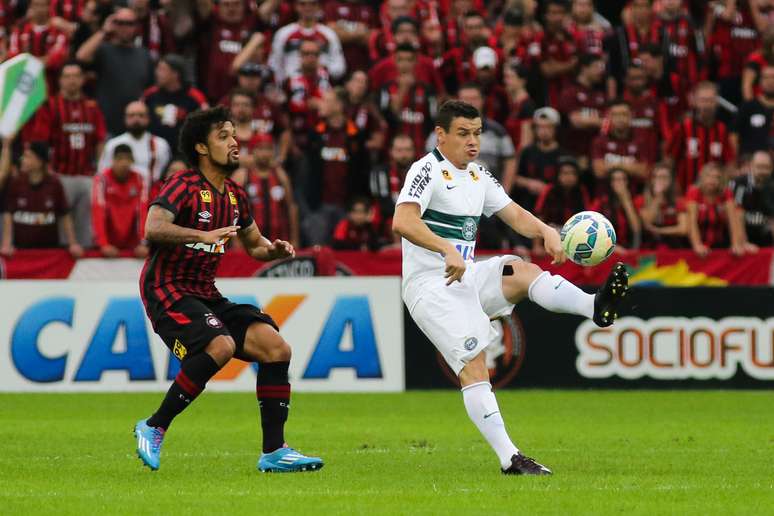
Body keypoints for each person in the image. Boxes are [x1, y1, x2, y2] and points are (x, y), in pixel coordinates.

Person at [392, 100, 628, 475]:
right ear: (441, 135)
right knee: (474, 365)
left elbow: (513, 212)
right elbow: (403, 221)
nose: (473, 142)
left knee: (521, 272)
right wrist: (445, 247)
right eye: (463, 134)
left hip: (464, 277)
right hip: (430, 287)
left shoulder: (478, 175)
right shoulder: (426, 170)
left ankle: (593, 307)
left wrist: (546, 232)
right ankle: (510, 458)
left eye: (477, 133)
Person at [134, 106, 323, 473]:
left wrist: (273, 250)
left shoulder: (235, 194)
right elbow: (153, 228)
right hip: (165, 288)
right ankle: (154, 425)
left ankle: (274, 451)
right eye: (224, 136)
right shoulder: (183, 185)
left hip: (204, 292)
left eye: (234, 134)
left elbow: (254, 245)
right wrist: (200, 234)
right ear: (202, 147)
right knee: (221, 345)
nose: (235, 142)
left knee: (275, 347)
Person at [26, 61, 106, 247]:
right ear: (60, 80)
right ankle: (62, 256)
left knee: (85, 224)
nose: (72, 81)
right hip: (60, 175)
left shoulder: (92, 107)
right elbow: (41, 141)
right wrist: (48, 172)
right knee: (61, 222)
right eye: (67, 76)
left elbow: (100, 140)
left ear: (83, 79)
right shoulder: (51, 106)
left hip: (87, 175)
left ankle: (85, 260)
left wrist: (99, 170)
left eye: (76, 76)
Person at [75, 7, 153, 135]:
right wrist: (104, 30)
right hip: (106, 126)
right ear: (113, 25)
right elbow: (81, 56)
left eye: (129, 23)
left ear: (136, 27)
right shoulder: (104, 50)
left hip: (136, 126)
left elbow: (150, 90)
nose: (124, 27)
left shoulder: (144, 55)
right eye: (120, 23)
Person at [0, 141, 82, 257]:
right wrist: (6, 243)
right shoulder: (16, 182)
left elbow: (65, 214)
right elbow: (8, 214)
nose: (22, 159)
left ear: (40, 161)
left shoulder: (55, 184)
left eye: (28, 156)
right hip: (21, 250)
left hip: (49, 251)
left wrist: (73, 243)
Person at [667, 81, 736, 192]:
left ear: (716, 103)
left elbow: (729, 164)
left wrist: (724, 188)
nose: (707, 105)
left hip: (713, 197)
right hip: (686, 192)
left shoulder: (722, 129)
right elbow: (670, 160)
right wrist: (675, 189)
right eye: (703, 100)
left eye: (710, 100)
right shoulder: (683, 127)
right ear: (694, 102)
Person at [268, 0, 346, 85]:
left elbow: (340, 66)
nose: (308, 8)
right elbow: (274, 64)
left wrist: (322, 68)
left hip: (322, 87)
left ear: (318, 7)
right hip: (291, 88)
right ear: (296, 6)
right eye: (303, 4)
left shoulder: (329, 34)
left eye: (313, 4)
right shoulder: (283, 34)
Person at [92, 144, 149, 258]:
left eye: (128, 159)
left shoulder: (139, 179)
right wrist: (103, 244)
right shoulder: (102, 179)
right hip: (108, 243)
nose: (124, 163)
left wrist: (143, 243)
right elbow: (98, 212)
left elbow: (143, 213)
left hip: (133, 245)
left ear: (132, 161)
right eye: (120, 159)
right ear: (112, 160)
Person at [143, 54, 209, 151]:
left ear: (175, 74)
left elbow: (205, 127)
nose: (157, 73)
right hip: (153, 151)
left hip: (183, 153)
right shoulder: (150, 95)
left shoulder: (195, 97)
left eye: (162, 69)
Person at [98, 101, 172, 188]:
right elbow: (102, 175)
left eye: (141, 115)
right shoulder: (113, 145)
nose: (136, 119)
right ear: (125, 118)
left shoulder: (161, 145)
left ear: (148, 118)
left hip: (153, 194)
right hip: (121, 194)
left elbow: (167, 173)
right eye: (131, 115)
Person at [685, 162, 745, 257]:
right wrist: (697, 245)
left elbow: (733, 221)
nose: (712, 180)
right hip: (696, 244)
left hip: (720, 244)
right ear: (702, 178)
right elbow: (692, 223)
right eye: (708, 176)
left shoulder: (726, 193)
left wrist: (736, 244)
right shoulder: (694, 192)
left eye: (716, 177)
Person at [635, 162, 688, 249]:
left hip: (673, 246)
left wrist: (658, 230)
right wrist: (658, 197)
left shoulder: (678, 201)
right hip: (648, 247)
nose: (660, 181)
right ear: (652, 180)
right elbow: (647, 222)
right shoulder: (641, 199)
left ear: (671, 180)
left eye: (664, 177)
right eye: (657, 177)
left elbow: (683, 229)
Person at [730, 150, 774, 248]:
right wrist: (743, 242)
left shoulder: (772, 185)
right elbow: (736, 213)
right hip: (743, 239)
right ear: (751, 166)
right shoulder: (739, 184)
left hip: (767, 239)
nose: (763, 171)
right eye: (759, 167)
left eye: (766, 167)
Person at [734, 65, 774, 155]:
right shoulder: (747, 107)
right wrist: (740, 158)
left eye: (773, 77)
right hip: (750, 163)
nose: (770, 81)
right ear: (760, 81)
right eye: (766, 77)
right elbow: (733, 134)